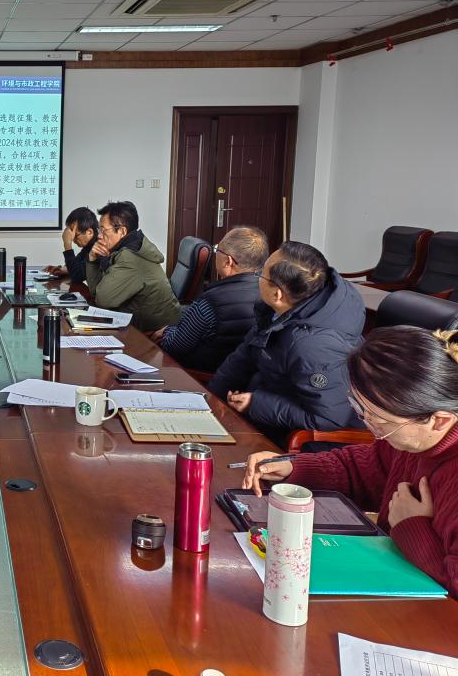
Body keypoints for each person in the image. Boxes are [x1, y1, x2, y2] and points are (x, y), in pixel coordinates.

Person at [243, 327, 458, 597]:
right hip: (393, 580)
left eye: (379, 421)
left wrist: (411, 526)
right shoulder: (411, 439)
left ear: (440, 421)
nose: (370, 429)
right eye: (360, 410)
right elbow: (360, 469)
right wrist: (294, 467)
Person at [208, 240, 365, 444]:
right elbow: (243, 357)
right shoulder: (284, 309)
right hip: (269, 411)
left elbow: (328, 419)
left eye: (261, 274)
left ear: (277, 294)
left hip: (311, 445)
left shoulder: (314, 347)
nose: (257, 277)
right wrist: (209, 399)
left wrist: (256, 404)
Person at [152, 226, 268, 373]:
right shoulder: (268, 294)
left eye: (217, 249)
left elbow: (175, 347)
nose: (215, 253)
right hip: (243, 377)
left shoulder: (210, 303)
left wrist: (167, 331)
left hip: (200, 377)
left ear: (228, 261)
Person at [85, 200, 181, 332]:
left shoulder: (130, 257)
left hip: (160, 333)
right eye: (99, 230)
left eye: (103, 230)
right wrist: (93, 258)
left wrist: (95, 261)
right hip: (149, 323)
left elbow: (102, 299)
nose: (99, 236)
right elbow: (98, 293)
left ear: (122, 231)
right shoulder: (130, 247)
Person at [43, 207, 99, 285]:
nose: (73, 239)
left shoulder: (98, 248)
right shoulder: (89, 246)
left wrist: (67, 244)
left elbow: (76, 276)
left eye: (75, 235)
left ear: (89, 232)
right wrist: (64, 270)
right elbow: (78, 264)